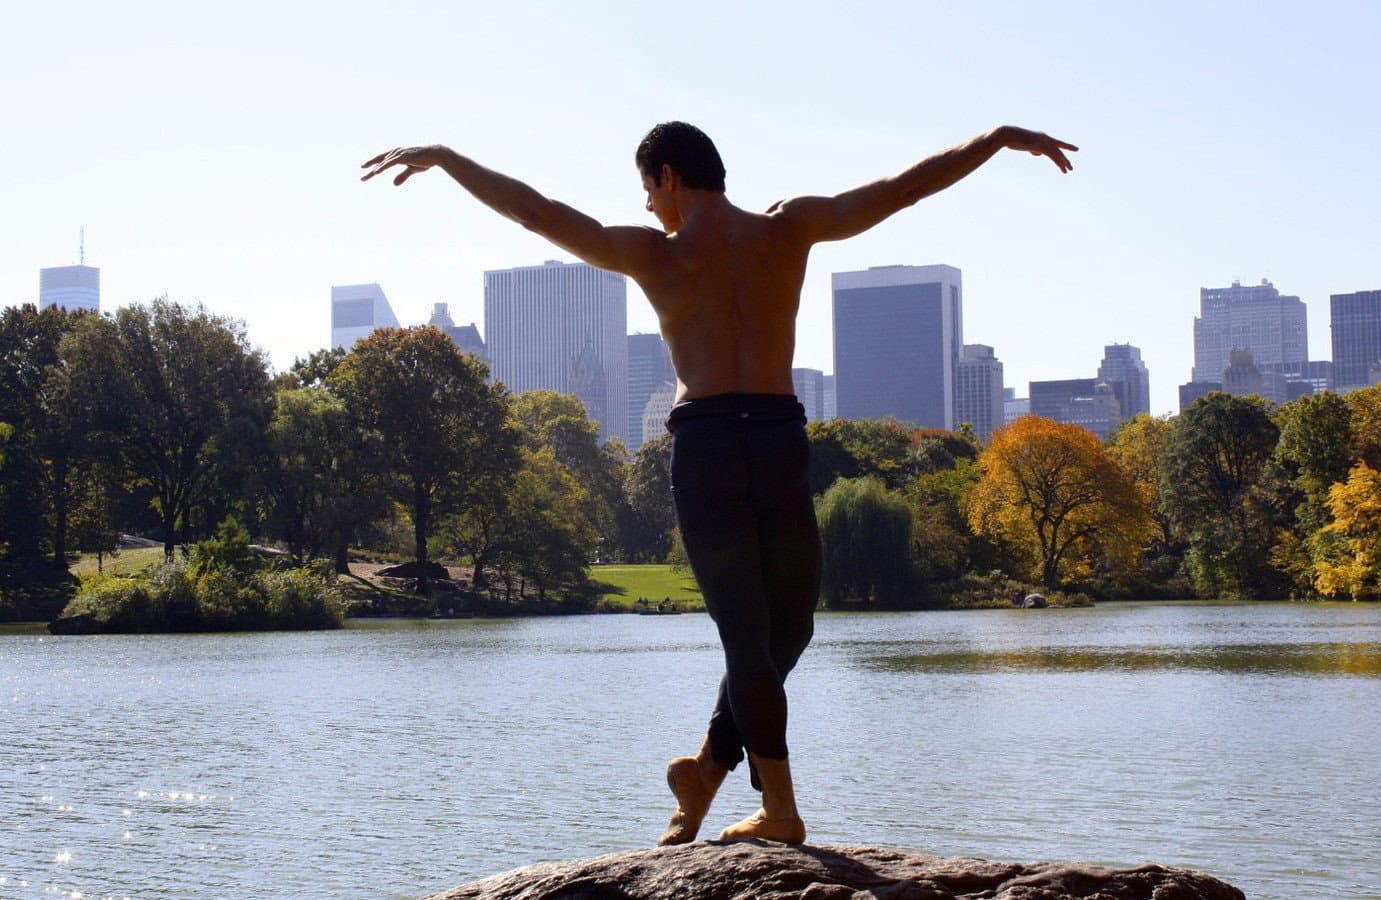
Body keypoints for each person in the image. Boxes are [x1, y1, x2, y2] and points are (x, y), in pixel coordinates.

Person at [361, 122, 1076, 845]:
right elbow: (900, 191)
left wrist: (450, 160)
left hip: (734, 439)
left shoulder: (680, 248)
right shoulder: (777, 230)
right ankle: (779, 809)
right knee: (756, 632)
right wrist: (994, 141)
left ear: (669, 176)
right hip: (754, 438)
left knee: (785, 629)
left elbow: (538, 211)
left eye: (647, 189)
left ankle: (708, 770)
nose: (647, 206)